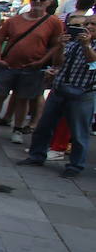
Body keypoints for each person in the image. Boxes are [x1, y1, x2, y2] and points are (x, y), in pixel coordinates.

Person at [0, 0, 64, 144]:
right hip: (8, 66)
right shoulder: (14, 20)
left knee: (23, 99)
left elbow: (55, 45)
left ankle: (17, 130)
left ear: (49, 2)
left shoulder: (53, 22)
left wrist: (42, 61)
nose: (38, 1)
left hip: (31, 68)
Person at [17, 15, 96, 178]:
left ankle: (75, 166)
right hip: (59, 89)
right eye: (86, 23)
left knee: (79, 133)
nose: (88, 26)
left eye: (93, 24)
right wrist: (60, 46)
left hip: (82, 93)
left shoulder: (88, 45)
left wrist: (87, 45)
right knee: (44, 126)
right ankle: (36, 155)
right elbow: (58, 62)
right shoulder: (72, 43)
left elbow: (93, 64)